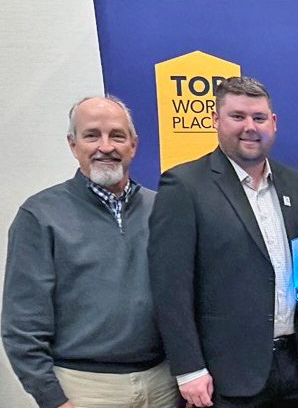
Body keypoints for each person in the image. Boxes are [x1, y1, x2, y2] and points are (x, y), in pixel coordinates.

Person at [149, 76, 298, 408]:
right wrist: (189, 370)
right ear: (216, 120)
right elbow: (170, 289)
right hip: (227, 375)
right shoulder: (184, 185)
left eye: (259, 117)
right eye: (238, 116)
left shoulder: (295, 182)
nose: (250, 127)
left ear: (273, 123)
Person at [2, 96, 178, 408]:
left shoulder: (163, 210)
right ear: (73, 145)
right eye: (92, 135)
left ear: (133, 145)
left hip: (163, 384)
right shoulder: (40, 215)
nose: (105, 146)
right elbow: (22, 323)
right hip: (84, 389)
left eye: (117, 135)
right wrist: (52, 398)